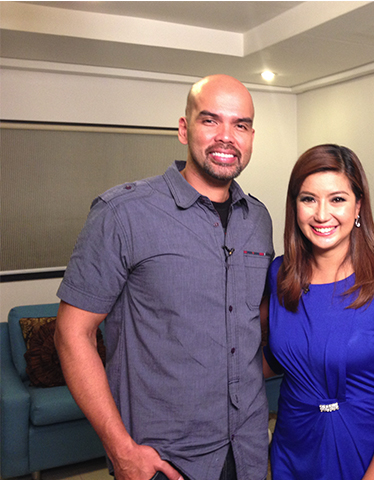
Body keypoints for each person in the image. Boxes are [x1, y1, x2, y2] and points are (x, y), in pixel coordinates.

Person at [54, 75, 274, 480]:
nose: (226, 137)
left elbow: (250, 326)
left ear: (251, 137)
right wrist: (121, 449)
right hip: (164, 461)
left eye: (240, 125)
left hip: (248, 450)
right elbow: (72, 334)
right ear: (184, 129)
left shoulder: (258, 219)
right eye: (211, 120)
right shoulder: (123, 213)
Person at [262, 144, 374, 480]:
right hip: (292, 447)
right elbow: (279, 357)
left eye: (337, 199)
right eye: (309, 199)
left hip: (363, 452)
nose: (322, 215)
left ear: (358, 206)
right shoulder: (279, 274)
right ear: (295, 206)